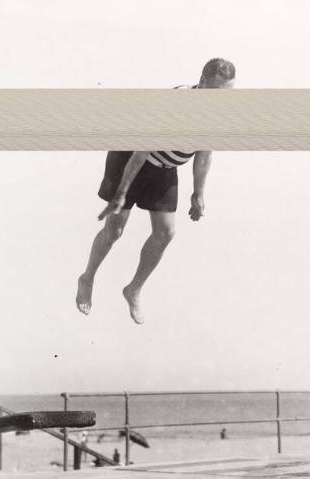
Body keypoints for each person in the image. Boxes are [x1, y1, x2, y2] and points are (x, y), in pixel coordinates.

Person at [76, 58, 236, 324]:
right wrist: (121, 194)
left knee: (166, 233)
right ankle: (87, 278)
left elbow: (205, 152)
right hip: (130, 158)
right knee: (114, 230)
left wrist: (198, 192)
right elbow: (140, 153)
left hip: (163, 168)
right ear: (203, 81)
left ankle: (134, 289)